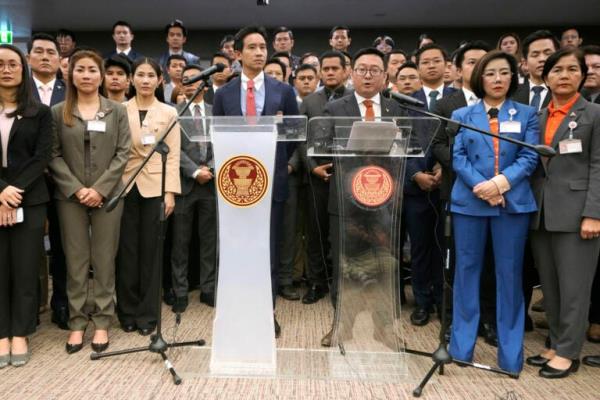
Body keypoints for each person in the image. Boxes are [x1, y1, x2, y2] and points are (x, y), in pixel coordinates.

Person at [449, 50, 539, 375]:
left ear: (513, 77)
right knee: (466, 273)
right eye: (490, 73)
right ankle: (461, 349)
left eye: (504, 72)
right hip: (471, 202)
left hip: (512, 203)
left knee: (510, 276)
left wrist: (500, 184)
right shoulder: (462, 114)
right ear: (480, 78)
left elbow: (530, 157)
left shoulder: (527, 114)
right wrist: (482, 187)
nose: (497, 79)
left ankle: (511, 357)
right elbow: (458, 157)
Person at [212, 26, 299, 337]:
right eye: (252, 47)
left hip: (272, 181)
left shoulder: (283, 91)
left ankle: (266, 312)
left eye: (263, 47)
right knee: (237, 249)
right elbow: (217, 136)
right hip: (235, 185)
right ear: (238, 54)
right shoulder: (223, 94)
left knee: (267, 251)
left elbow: (292, 136)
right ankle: (238, 312)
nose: (260, 52)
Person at [319, 47, 404, 346]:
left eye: (374, 70)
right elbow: (322, 145)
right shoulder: (334, 108)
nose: (368, 76)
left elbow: (411, 145)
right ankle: (341, 325)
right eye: (362, 70)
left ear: (385, 76)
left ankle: (385, 327)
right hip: (346, 200)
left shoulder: (396, 109)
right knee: (344, 264)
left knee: (385, 263)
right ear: (351, 74)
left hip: (384, 199)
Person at [49, 50, 131, 354]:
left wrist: (100, 189)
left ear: (101, 75)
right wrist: (76, 189)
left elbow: (123, 152)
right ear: (70, 75)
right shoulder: (58, 111)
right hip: (69, 196)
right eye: (80, 69)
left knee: (104, 258)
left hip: (108, 195)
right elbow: (53, 154)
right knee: (76, 260)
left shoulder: (116, 110)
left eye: (92, 70)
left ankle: (102, 320)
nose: (86, 75)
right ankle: (77, 321)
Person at [526, 48, 600, 379]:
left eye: (572, 69)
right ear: (546, 77)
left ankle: (569, 351)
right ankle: (556, 342)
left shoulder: (594, 114)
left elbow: (599, 165)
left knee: (574, 287)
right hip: (541, 212)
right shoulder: (538, 116)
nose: (564, 75)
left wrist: (594, 213)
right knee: (551, 286)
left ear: (582, 75)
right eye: (557, 70)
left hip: (578, 214)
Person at [430, 41, 500, 346]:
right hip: (459, 193)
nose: (480, 68)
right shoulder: (446, 106)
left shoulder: (508, 105)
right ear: (458, 71)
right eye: (472, 62)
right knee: (458, 261)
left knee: (492, 262)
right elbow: (437, 145)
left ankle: (489, 319)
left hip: (499, 194)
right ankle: (454, 319)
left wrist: (496, 180)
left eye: (486, 62)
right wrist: (474, 174)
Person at [116, 58, 181, 336]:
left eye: (150, 75)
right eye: (140, 75)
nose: (145, 80)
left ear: (159, 80)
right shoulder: (119, 109)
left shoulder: (169, 112)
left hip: (157, 186)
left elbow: (174, 155)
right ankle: (127, 311)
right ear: (131, 79)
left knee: (152, 252)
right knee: (127, 251)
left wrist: (170, 192)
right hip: (124, 185)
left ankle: (147, 314)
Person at [0, 44, 53, 368]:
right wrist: (1, 191)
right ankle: (1, 333)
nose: (6, 69)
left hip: (29, 197)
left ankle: (20, 332)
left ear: (23, 70)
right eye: (0, 64)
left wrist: (14, 190)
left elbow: (42, 155)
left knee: (24, 267)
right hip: (0, 193)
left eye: (12, 64)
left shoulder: (39, 112)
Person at [405, 43, 455, 327]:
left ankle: (445, 302)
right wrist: (416, 174)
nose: (432, 66)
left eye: (437, 61)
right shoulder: (405, 102)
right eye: (426, 62)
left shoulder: (457, 99)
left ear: (447, 65)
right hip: (416, 188)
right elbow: (400, 142)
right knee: (420, 247)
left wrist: (442, 167)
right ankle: (423, 302)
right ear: (418, 66)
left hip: (449, 184)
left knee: (446, 248)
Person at [300, 50, 352, 308]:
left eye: (335, 68)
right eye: (326, 69)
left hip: (348, 175)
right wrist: (312, 168)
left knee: (345, 233)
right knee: (316, 231)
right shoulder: (309, 101)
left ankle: (345, 284)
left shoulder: (354, 99)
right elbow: (300, 138)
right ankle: (317, 282)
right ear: (320, 72)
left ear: (346, 71)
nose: (330, 72)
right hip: (318, 175)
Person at [26, 32, 70, 330]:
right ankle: (29, 306)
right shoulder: (18, 90)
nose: (44, 57)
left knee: (62, 245)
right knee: (28, 247)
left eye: (50, 52)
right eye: (39, 51)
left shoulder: (70, 92)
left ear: (59, 59)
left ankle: (61, 303)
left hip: (62, 181)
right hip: (26, 183)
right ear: (28, 57)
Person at [170, 65, 216, 312]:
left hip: (211, 184)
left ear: (205, 85)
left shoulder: (216, 111)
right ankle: (180, 291)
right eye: (186, 79)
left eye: (196, 79)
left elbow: (224, 143)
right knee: (180, 242)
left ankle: (208, 288)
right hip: (185, 183)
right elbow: (172, 148)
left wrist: (210, 168)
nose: (190, 83)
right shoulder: (173, 113)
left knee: (209, 240)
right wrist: (195, 171)